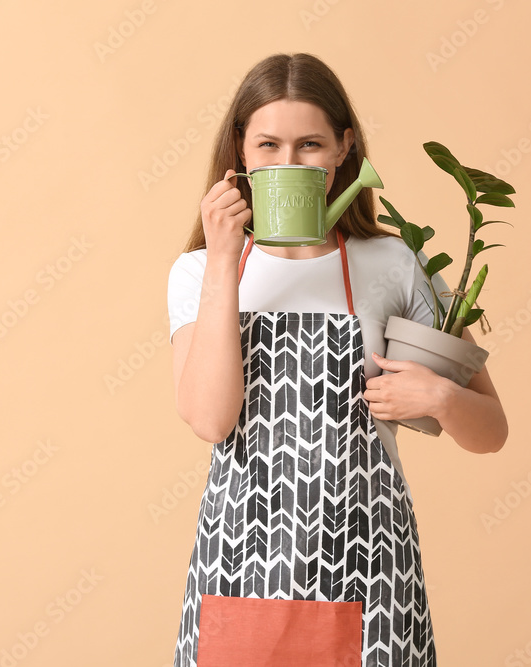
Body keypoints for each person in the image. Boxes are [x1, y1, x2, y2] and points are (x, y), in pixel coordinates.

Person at [167, 53, 507, 667]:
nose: (288, 163)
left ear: (345, 149)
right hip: (243, 567)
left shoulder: (395, 264)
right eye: (268, 144)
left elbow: (492, 432)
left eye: (310, 144)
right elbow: (210, 420)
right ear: (240, 153)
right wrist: (222, 258)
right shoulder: (200, 272)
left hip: (370, 571)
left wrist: (440, 398)